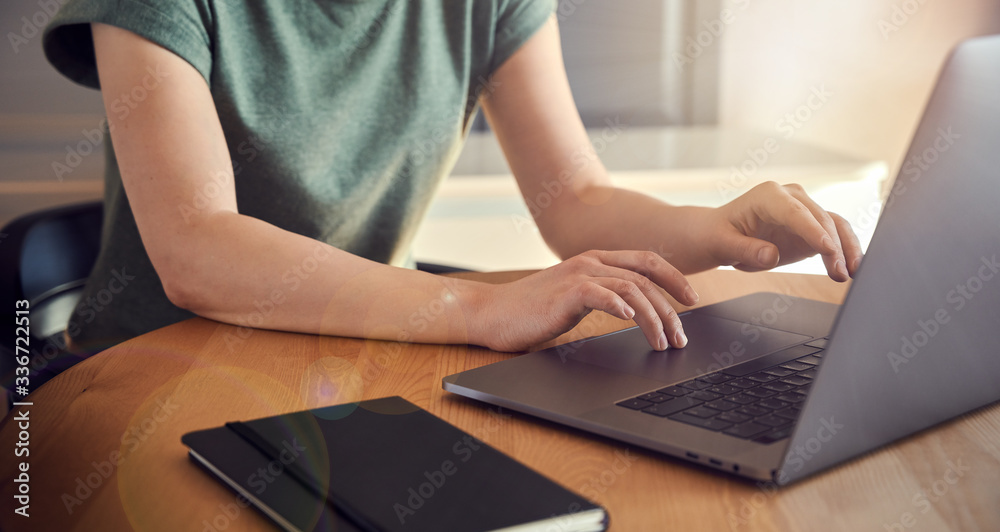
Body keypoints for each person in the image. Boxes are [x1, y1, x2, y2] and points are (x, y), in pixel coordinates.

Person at [43, 0, 862, 355]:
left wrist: (715, 228)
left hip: (348, 347)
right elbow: (196, 249)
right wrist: (479, 304)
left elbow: (574, 199)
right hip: (155, 363)